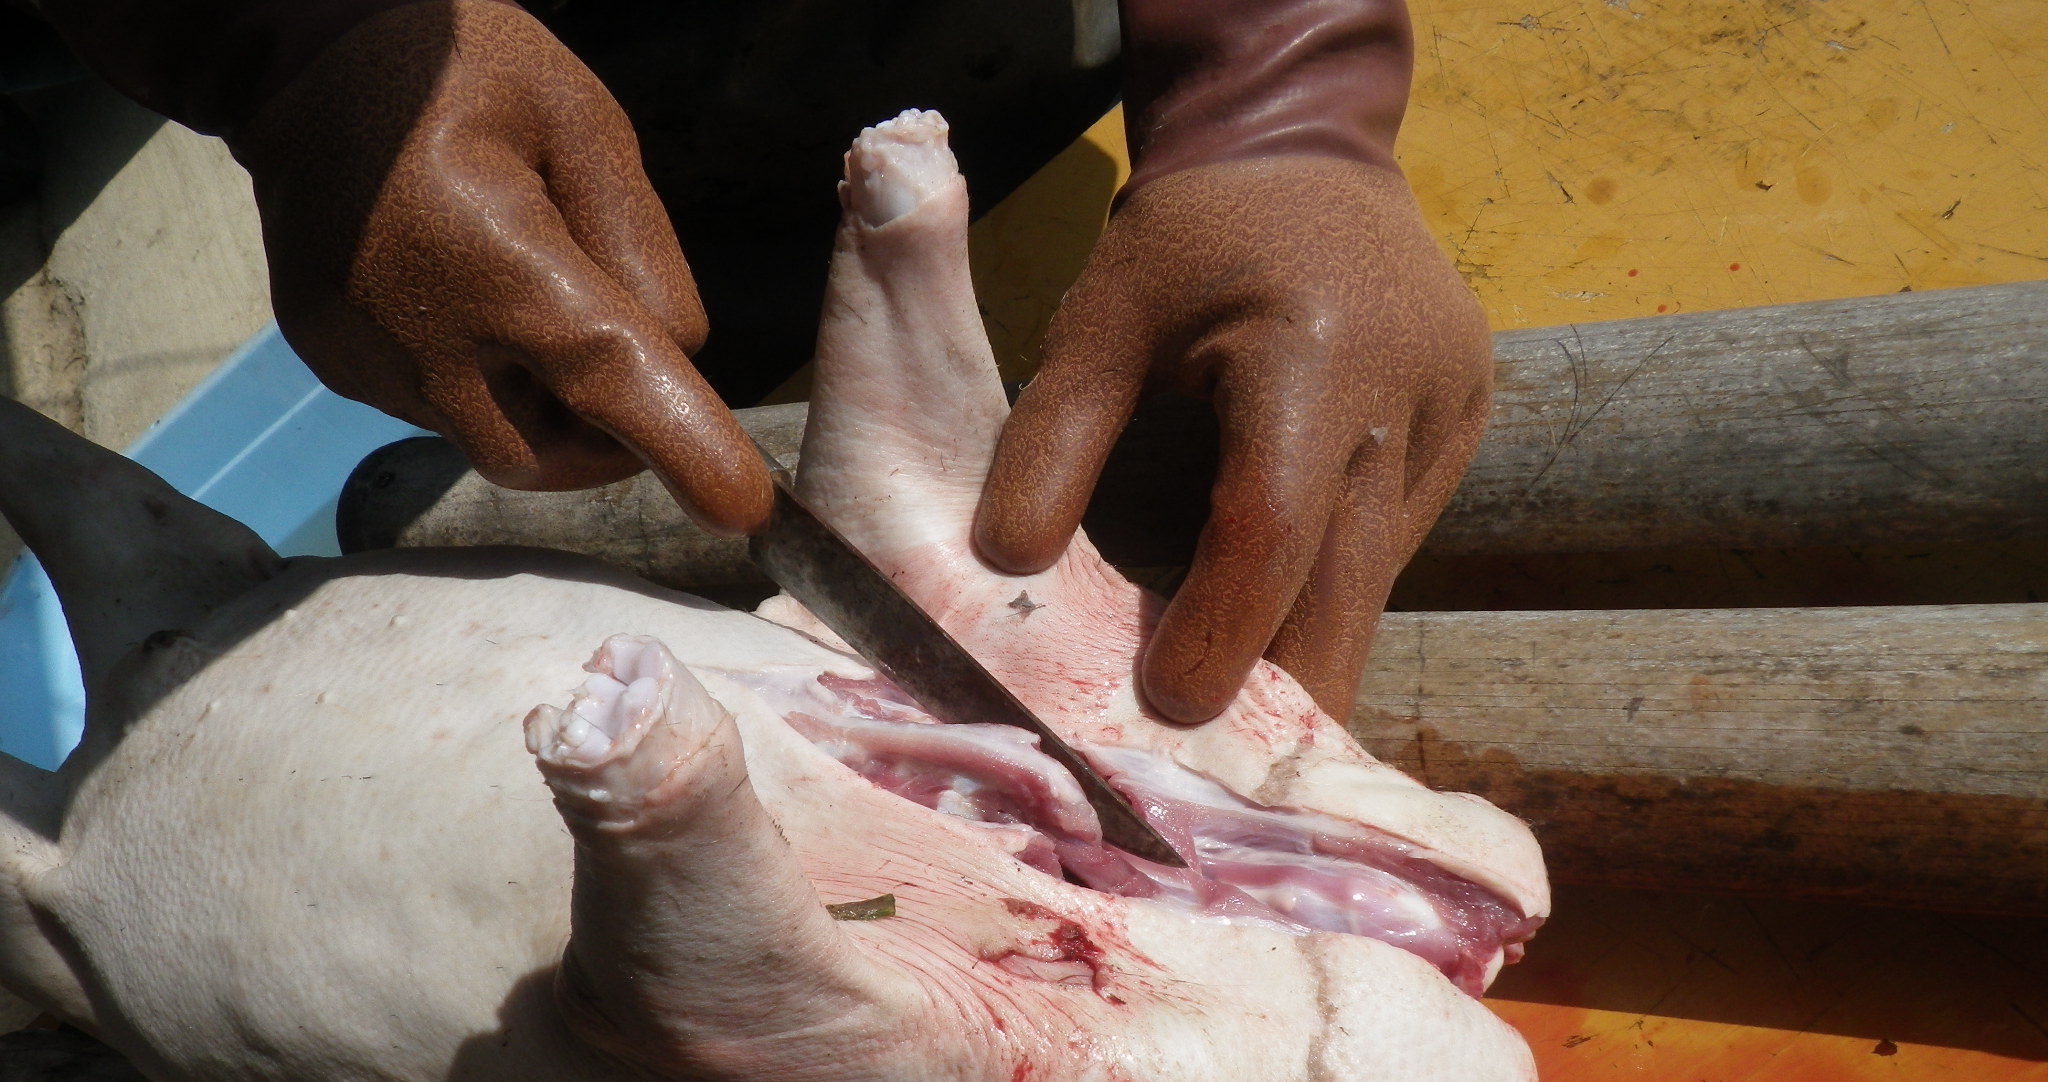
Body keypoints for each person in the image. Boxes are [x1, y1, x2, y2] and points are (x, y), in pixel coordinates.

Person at [19, 0, 1491, 723]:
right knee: (597, 368)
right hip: (525, 67)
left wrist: (1282, 91)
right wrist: (289, 39)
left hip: (977, 56)